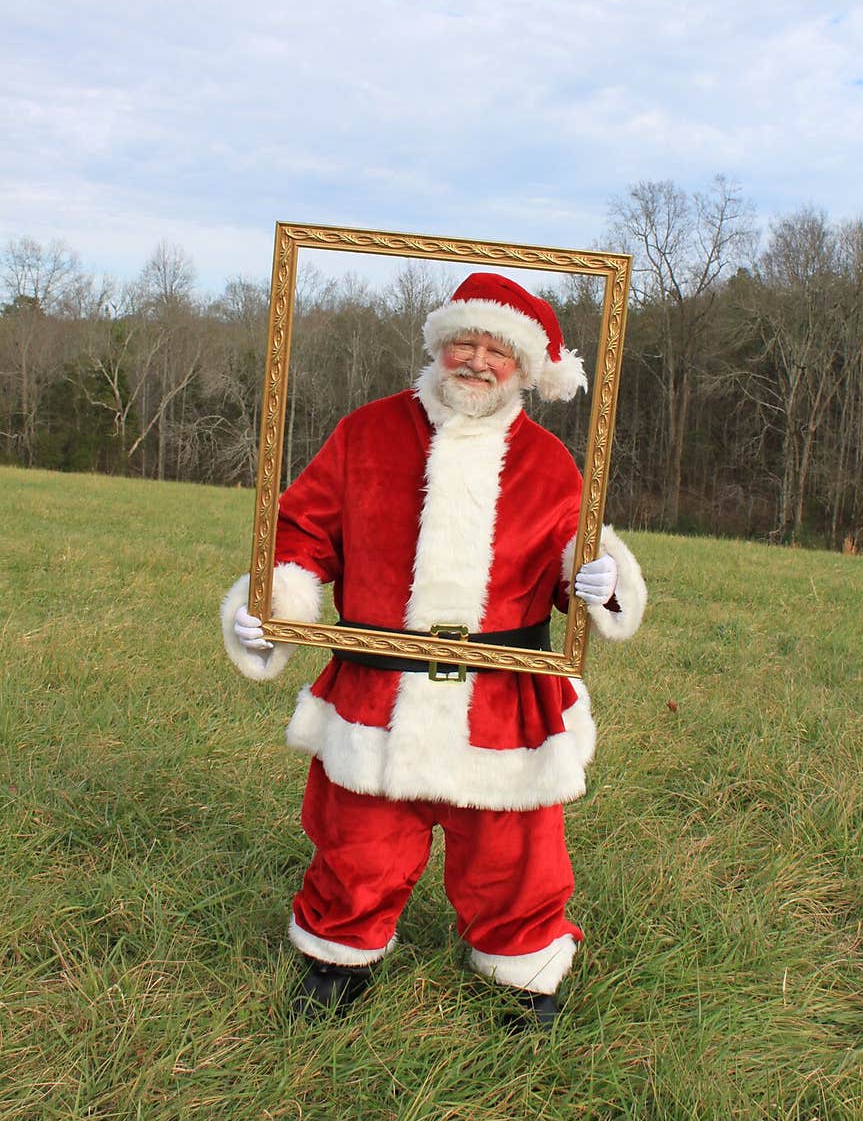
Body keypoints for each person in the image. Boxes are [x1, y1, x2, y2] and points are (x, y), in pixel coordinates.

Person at [221, 271, 646, 1029]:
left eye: (498, 351)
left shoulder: (549, 461)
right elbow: (300, 532)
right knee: (358, 840)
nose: (477, 361)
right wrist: (276, 604)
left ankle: (525, 973)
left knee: (515, 852)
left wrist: (597, 575)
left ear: (524, 368)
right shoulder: (366, 432)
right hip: (377, 686)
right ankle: (336, 958)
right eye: (464, 341)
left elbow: (565, 557)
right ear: (439, 344)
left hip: (503, 695)